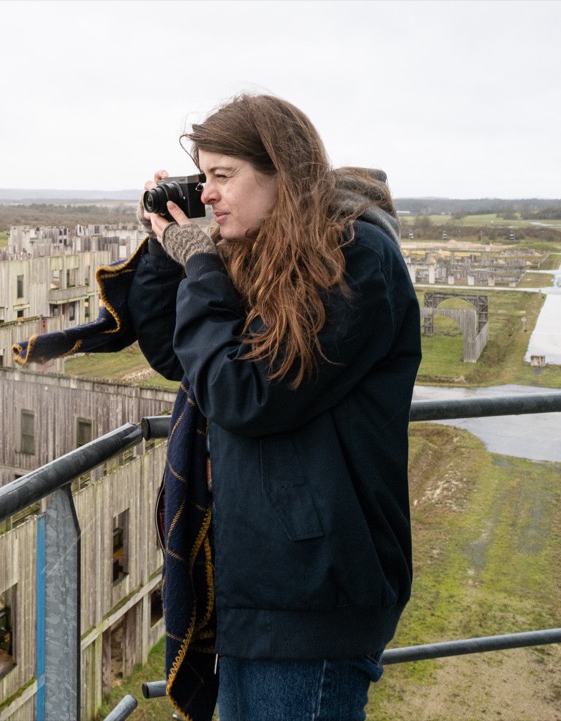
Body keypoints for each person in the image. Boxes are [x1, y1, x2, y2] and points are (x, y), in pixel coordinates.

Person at [129, 94, 421, 721]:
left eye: (222, 175)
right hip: (259, 584)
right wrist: (164, 247)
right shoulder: (270, 258)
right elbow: (179, 355)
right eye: (203, 178)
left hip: (313, 593)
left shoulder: (355, 261)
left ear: (282, 173)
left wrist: (203, 262)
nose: (208, 194)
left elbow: (244, 392)